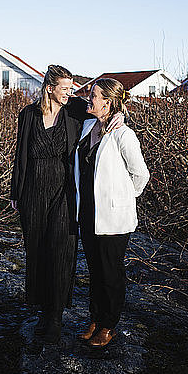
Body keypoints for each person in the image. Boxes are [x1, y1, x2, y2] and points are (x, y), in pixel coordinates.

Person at [10, 65, 122, 344]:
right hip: (33, 194)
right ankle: (43, 312)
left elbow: (107, 107)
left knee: (61, 254)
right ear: (50, 88)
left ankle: (56, 317)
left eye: (72, 88)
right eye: (65, 88)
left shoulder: (74, 110)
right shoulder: (28, 115)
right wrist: (16, 192)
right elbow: (20, 154)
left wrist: (121, 116)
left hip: (64, 194)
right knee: (37, 254)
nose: (70, 92)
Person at [74, 78, 149, 347]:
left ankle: (108, 325)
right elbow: (69, 102)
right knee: (94, 270)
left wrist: (125, 197)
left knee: (110, 272)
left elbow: (141, 174)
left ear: (107, 101)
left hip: (114, 217)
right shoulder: (87, 126)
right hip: (88, 213)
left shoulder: (123, 134)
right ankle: (95, 319)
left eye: (94, 95)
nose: (88, 99)